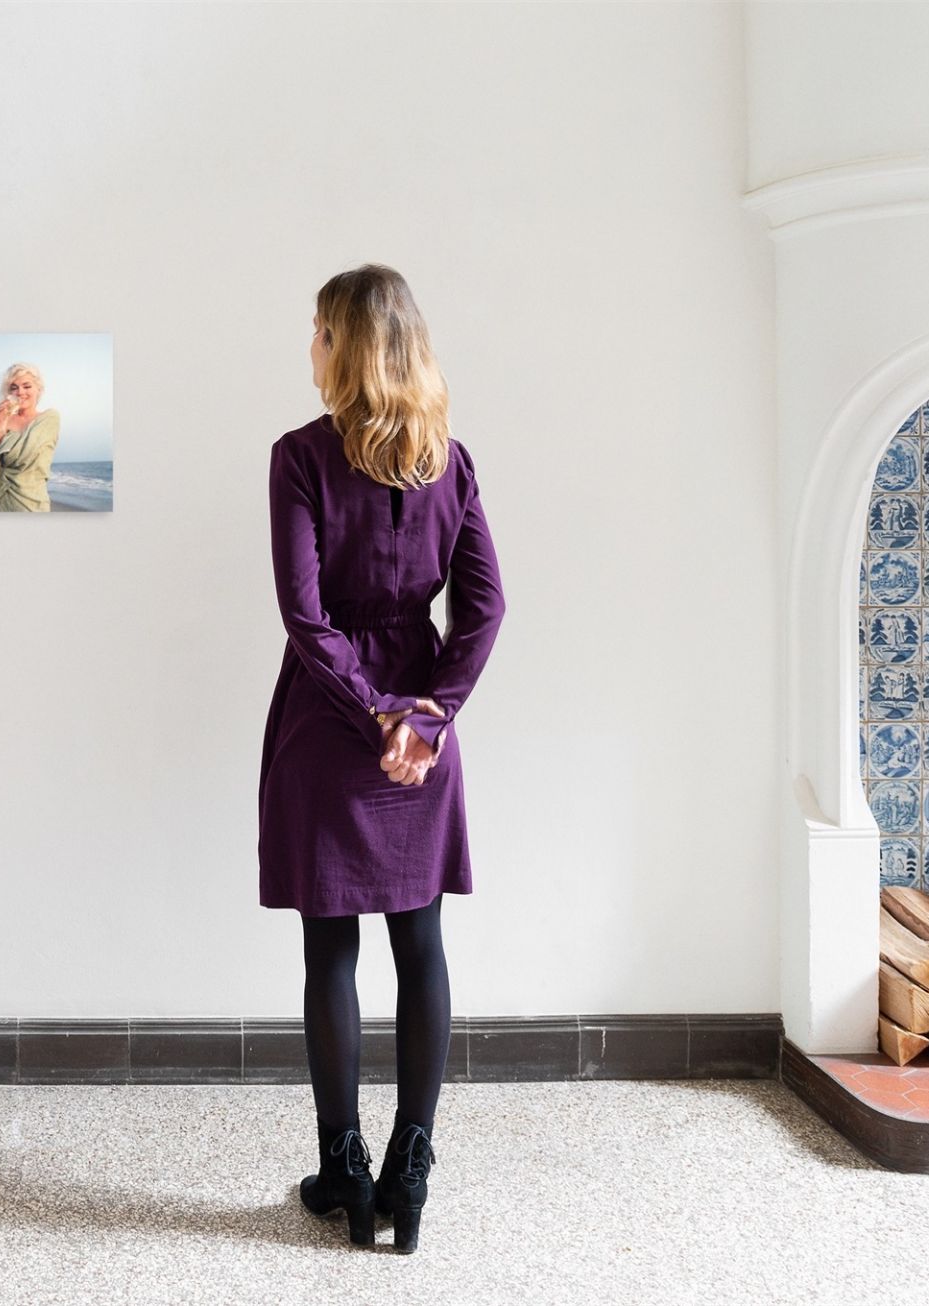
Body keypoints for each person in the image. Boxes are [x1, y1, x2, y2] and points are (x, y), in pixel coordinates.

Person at [258, 263, 507, 1253]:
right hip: (417, 733)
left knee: (331, 950)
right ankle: (412, 1165)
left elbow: (306, 618)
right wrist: (427, 715)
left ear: (345, 347)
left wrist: (372, 715)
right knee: (421, 945)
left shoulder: (299, 458)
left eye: (317, 331)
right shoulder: (451, 461)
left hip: (328, 723)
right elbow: (483, 608)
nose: (307, 347)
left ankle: (347, 1171)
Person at [0, 362, 63, 511]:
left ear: (38, 389)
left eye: (27, 386)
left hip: (30, 502)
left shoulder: (49, 418)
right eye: (14, 388)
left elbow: (24, 458)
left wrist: (2, 449)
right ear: (8, 393)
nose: (20, 392)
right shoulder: (3, 421)